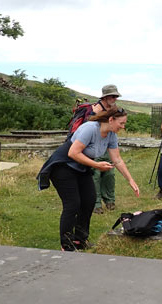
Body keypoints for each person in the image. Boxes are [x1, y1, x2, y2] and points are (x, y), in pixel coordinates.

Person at [37, 108, 140, 251]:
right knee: (72, 204)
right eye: (121, 123)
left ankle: (80, 240)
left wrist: (130, 180)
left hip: (82, 168)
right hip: (63, 166)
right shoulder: (90, 129)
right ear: (111, 120)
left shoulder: (111, 135)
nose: (123, 127)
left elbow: (117, 159)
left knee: (89, 201)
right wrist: (97, 165)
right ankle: (66, 244)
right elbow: (73, 152)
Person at [92, 84, 121, 214]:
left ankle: (109, 201)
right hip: (96, 145)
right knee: (95, 175)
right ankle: (96, 204)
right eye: (112, 96)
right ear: (105, 96)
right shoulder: (96, 108)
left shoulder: (113, 108)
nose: (114, 98)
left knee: (109, 174)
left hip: (108, 145)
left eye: (116, 96)